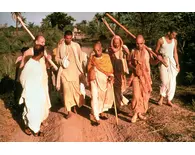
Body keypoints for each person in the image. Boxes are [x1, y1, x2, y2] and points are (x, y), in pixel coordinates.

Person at [19, 35, 51, 125]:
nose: (43, 44)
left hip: (43, 80)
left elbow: (47, 67)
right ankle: (30, 123)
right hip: (33, 83)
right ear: (36, 42)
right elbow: (22, 68)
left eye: (44, 42)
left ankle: (42, 119)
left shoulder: (43, 52)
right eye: (41, 42)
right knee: (32, 103)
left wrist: (48, 60)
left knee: (44, 101)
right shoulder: (28, 52)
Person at [55, 30, 86, 119]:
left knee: (76, 91)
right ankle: (69, 111)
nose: (68, 39)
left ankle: (75, 106)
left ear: (72, 37)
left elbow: (80, 58)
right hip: (64, 72)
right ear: (64, 37)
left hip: (74, 72)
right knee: (66, 92)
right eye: (67, 38)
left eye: (70, 38)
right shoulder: (60, 46)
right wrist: (62, 61)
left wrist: (81, 71)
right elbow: (56, 58)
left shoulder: (76, 46)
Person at [19, 45, 47, 136]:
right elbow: (22, 78)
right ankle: (34, 130)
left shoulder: (36, 63)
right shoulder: (30, 64)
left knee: (37, 110)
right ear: (42, 53)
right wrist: (28, 88)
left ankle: (33, 127)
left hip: (37, 92)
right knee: (31, 111)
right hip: (31, 92)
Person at [128, 35, 155, 123]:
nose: (139, 45)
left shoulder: (148, 51)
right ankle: (135, 113)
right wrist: (134, 68)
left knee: (145, 96)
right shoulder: (133, 51)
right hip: (136, 75)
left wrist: (158, 59)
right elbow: (129, 63)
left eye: (141, 43)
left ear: (144, 42)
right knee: (136, 95)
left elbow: (151, 64)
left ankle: (140, 113)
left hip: (145, 76)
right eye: (137, 43)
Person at [87, 42, 114, 126]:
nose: (97, 52)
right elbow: (88, 69)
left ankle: (101, 112)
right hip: (94, 81)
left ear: (101, 48)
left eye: (98, 50)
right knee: (94, 97)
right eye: (95, 50)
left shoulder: (106, 57)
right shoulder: (92, 58)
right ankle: (96, 117)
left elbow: (110, 70)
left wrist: (111, 76)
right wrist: (92, 69)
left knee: (102, 97)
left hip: (104, 82)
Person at [155, 28, 180, 107]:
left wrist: (177, 64)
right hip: (163, 61)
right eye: (173, 34)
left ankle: (169, 99)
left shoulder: (174, 41)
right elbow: (155, 51)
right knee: (165, 81)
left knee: (172, 81)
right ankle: (161, 97)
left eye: (175, 35)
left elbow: (175, 53)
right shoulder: (161, 40)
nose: (174, 36)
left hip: (172, 62)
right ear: (169, 32)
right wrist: (160, 56)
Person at [108, 35, 129, 113]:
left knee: (119, 87)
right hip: (113, 70)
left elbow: (128, 54)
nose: (116, 44)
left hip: (121, 71)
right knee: (114, 88)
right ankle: (117, 105)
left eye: (118, 43)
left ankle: (120, 102)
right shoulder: (110, 49)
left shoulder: (123, 47)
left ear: (120, 42)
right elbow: (111, 53)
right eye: (115, 43)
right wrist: (117, 49)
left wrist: (124, 49)